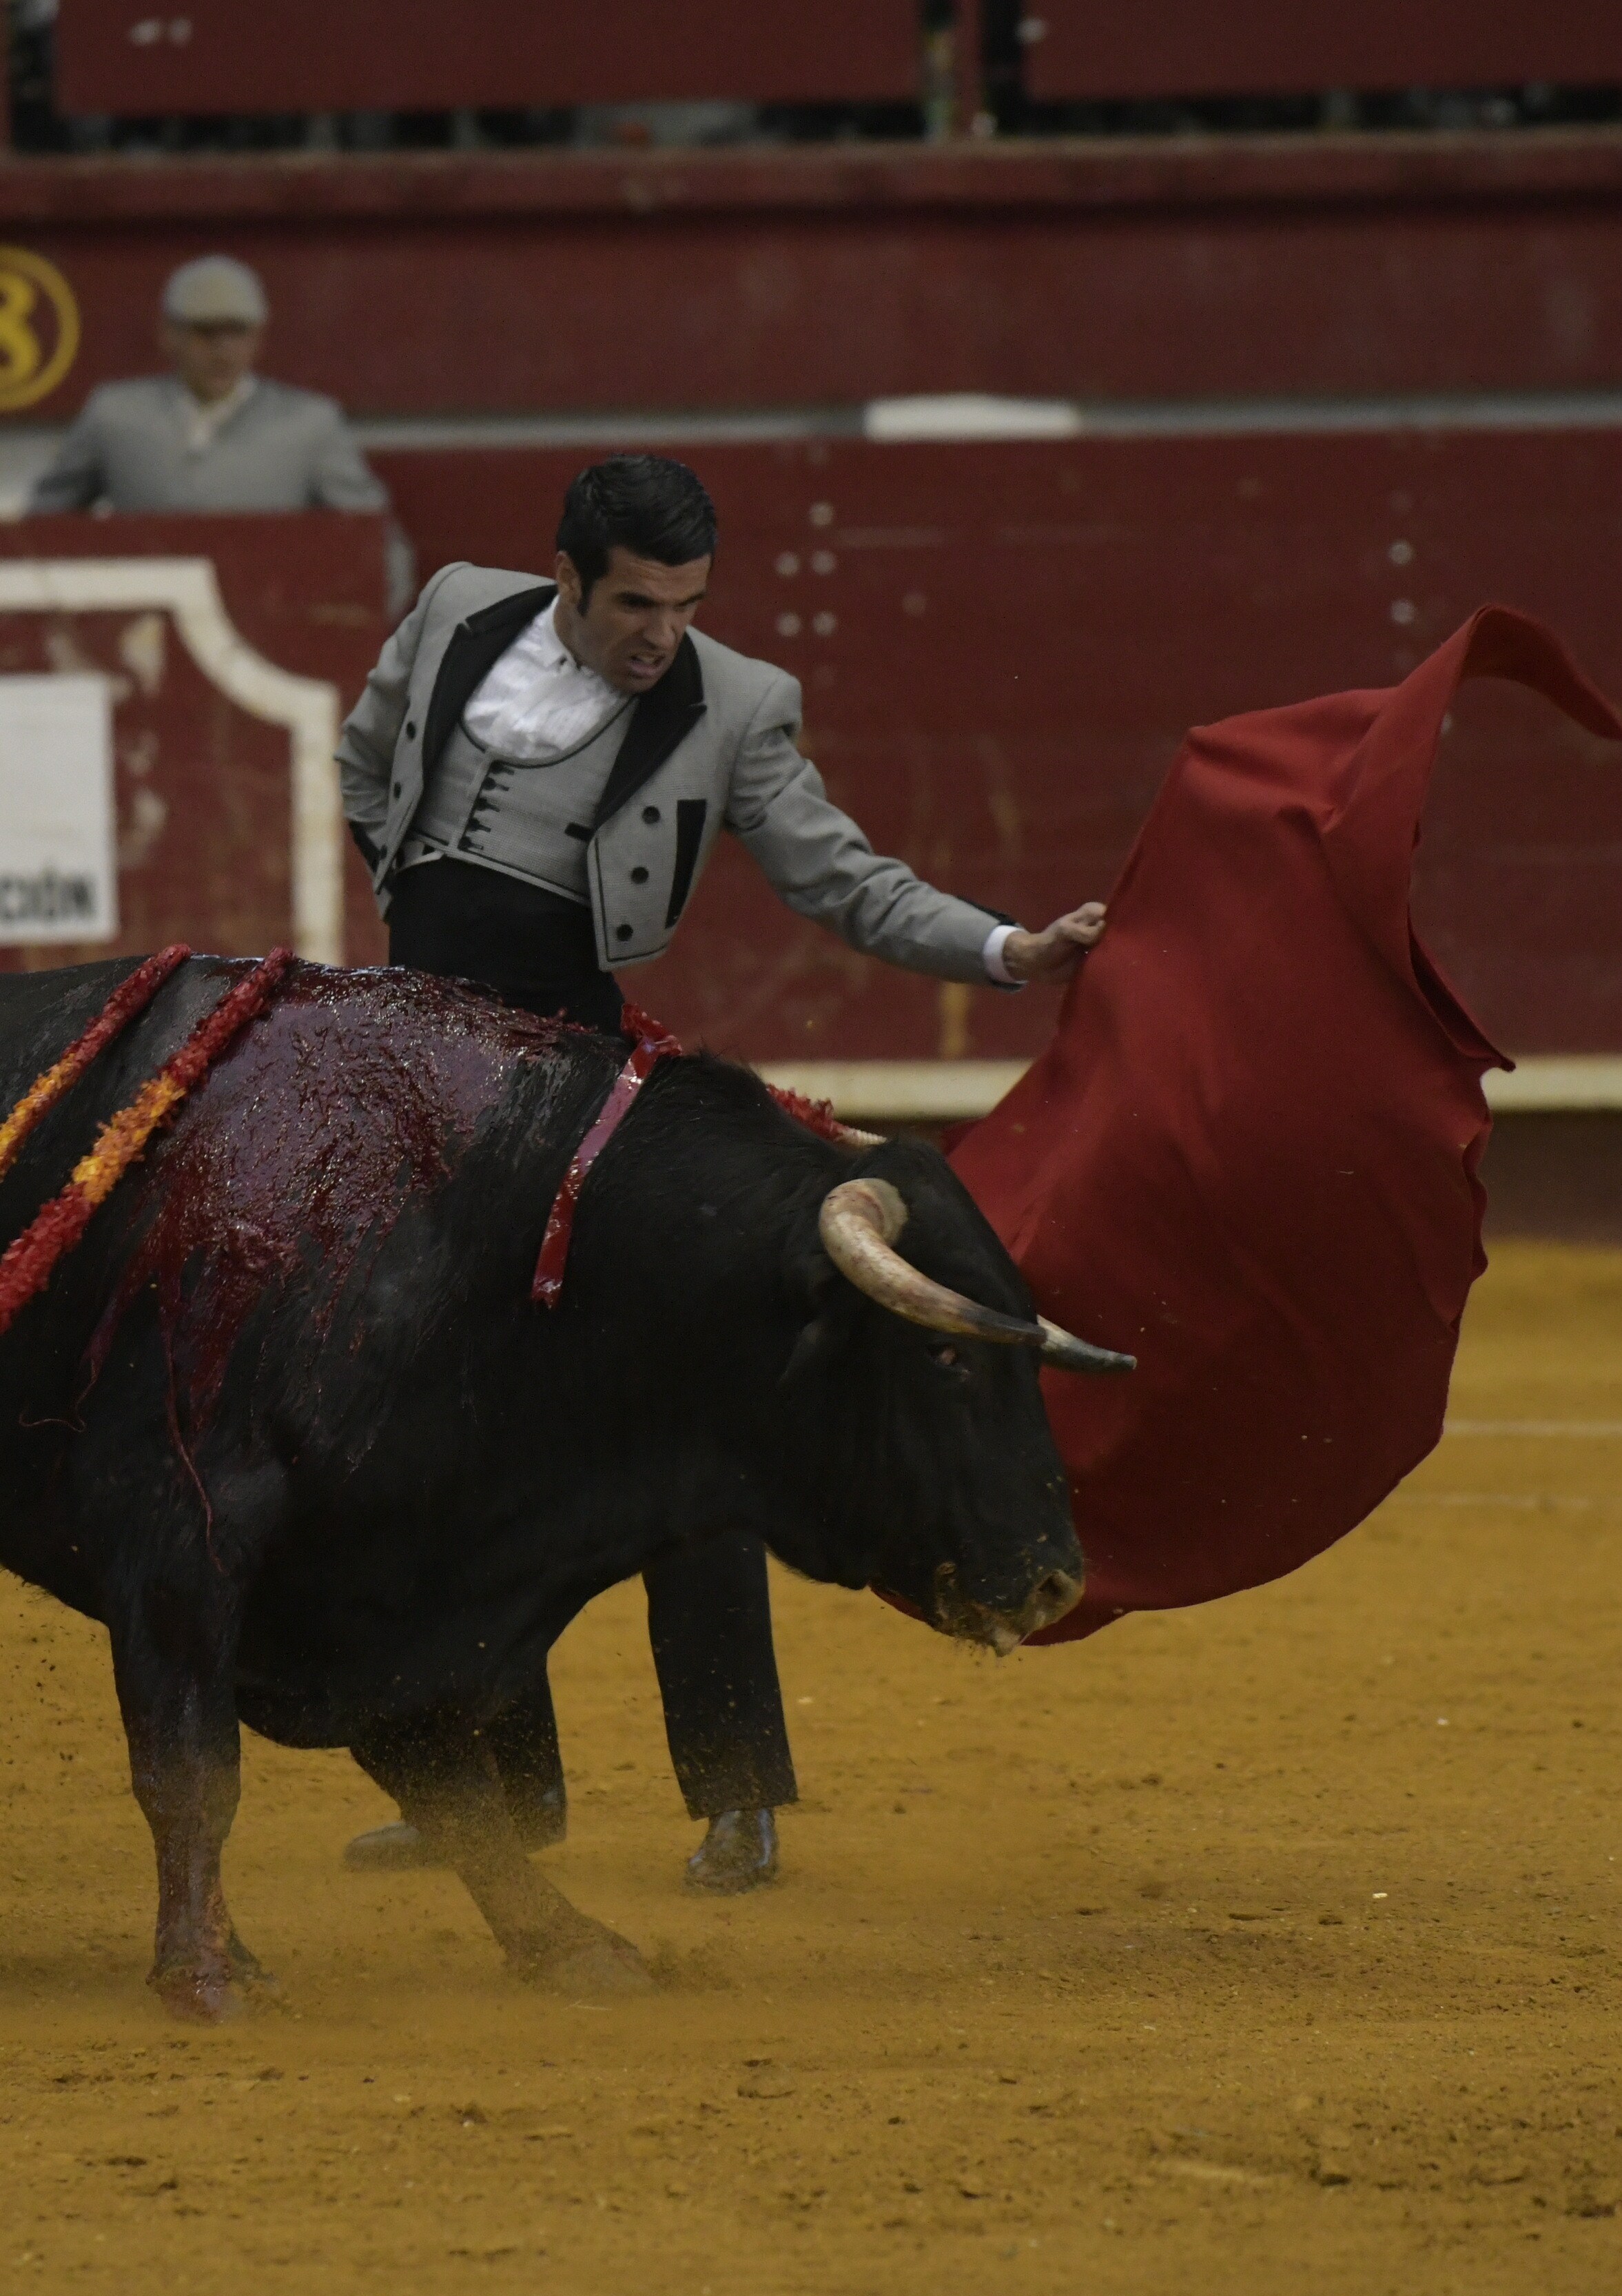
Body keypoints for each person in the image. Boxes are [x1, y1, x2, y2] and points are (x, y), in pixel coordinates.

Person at [336, 453, 1105, 1892]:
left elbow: (840, 877)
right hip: (420, 1085)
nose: (661, 634)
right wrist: (400, 884)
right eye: (634, 602)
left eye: (686, 604)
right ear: (564, 578)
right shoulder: (452, 609)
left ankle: (739, 1795)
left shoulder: (732, 705)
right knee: (455, 1439)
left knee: (683, 1420)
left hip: (573, 1093)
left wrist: (1007, 949)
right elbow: (365, 754)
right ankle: (512, 1796)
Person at [28, 254, 391, 524]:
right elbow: (43, 527)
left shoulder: (310, 425)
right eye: (205, 333)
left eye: (236, 332)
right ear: (170, 336)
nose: (223, 351)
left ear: (258, 339)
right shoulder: (117, 417)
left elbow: (375, 542)